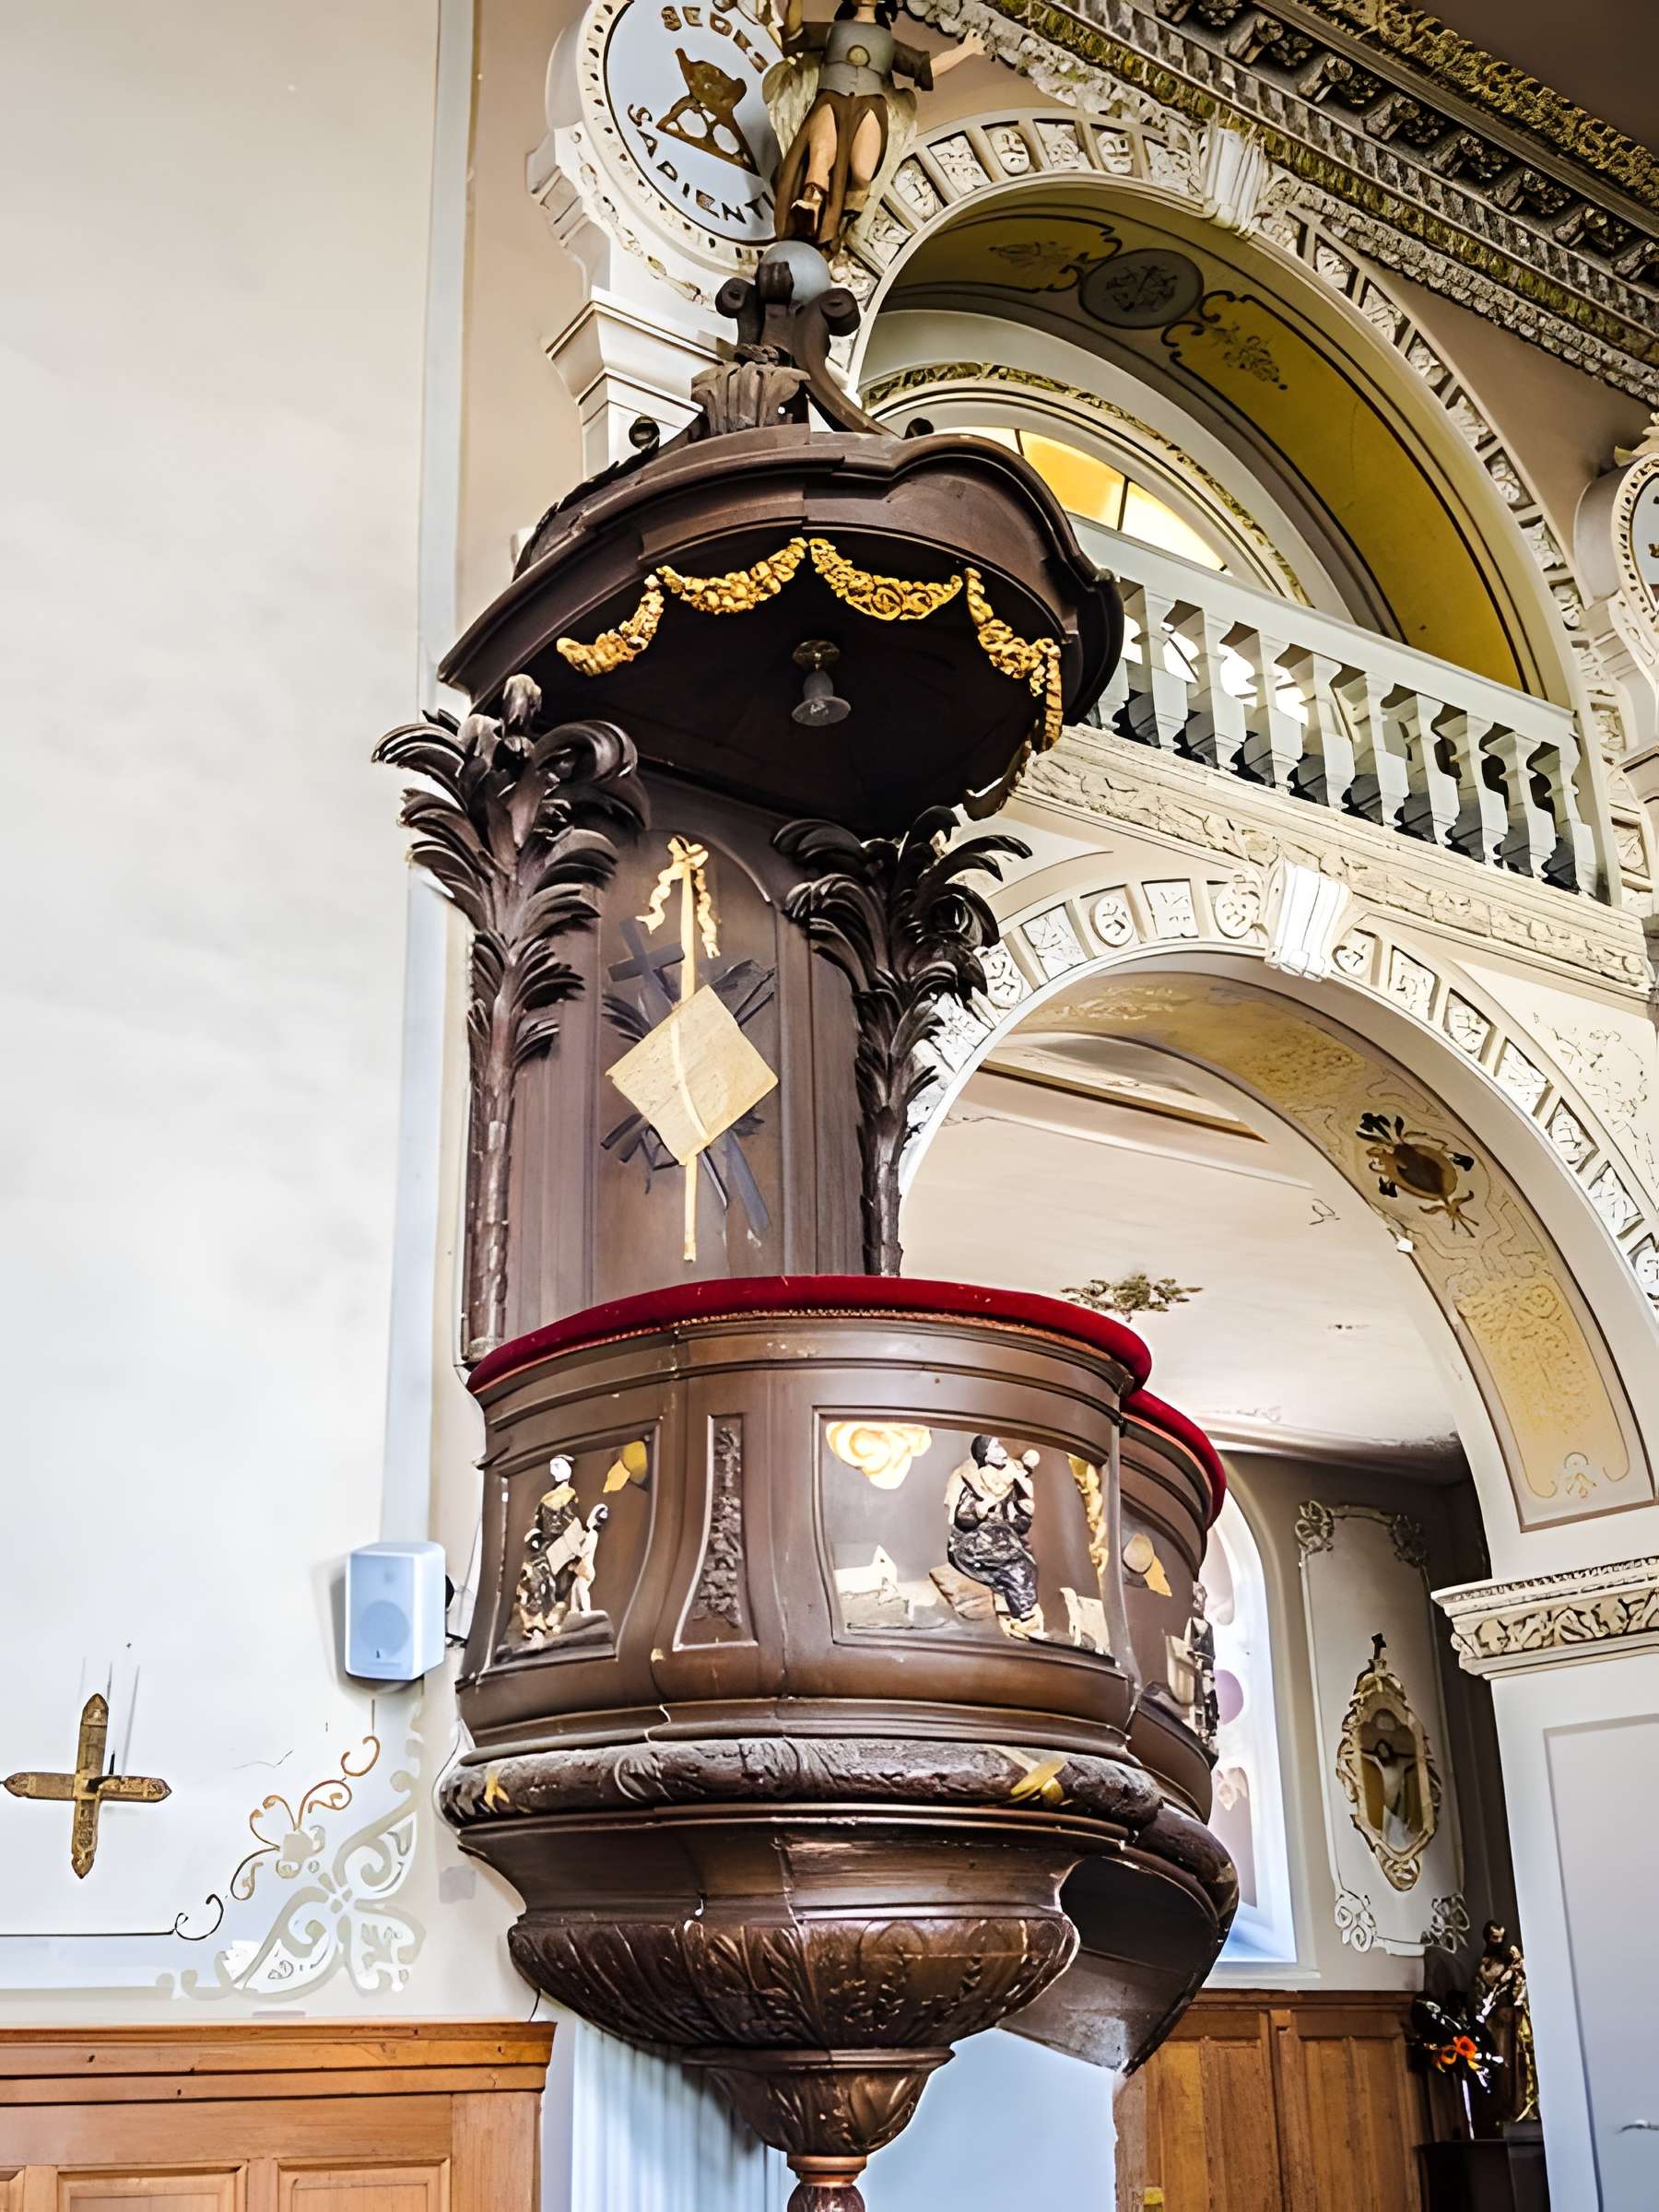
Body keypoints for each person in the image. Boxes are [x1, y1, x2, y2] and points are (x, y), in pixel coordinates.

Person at [768, 0, 983, 252]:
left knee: (862, 172)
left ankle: (848, 212)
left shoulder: (887, 42)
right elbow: (795, 34)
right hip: (831, 99)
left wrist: (967, 49)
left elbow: (927, 68)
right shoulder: (835, 30)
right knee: (820, 156)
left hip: (869, 107)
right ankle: (809, 209)